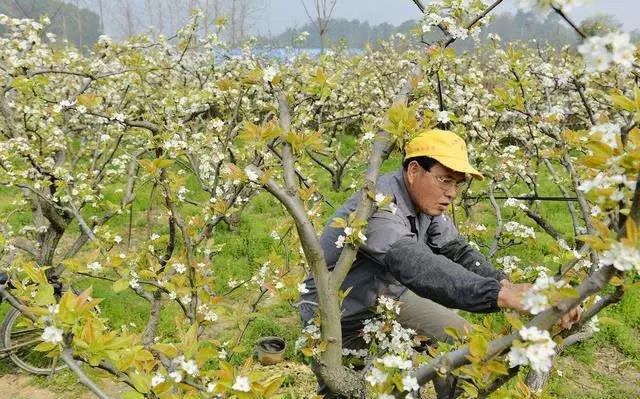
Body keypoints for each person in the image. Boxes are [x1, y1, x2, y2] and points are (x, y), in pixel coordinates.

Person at [299, 129, 579, 398]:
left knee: (466, 344)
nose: (453, 193)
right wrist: (499, 295)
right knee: (349, 388)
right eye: (445, 180)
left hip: (389, 297)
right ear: (413, 171)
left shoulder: (427, 205)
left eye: (458, 183)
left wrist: (504, 282)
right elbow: (414, 264)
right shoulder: (379, 205)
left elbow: (455, 249)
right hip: (339, 313)